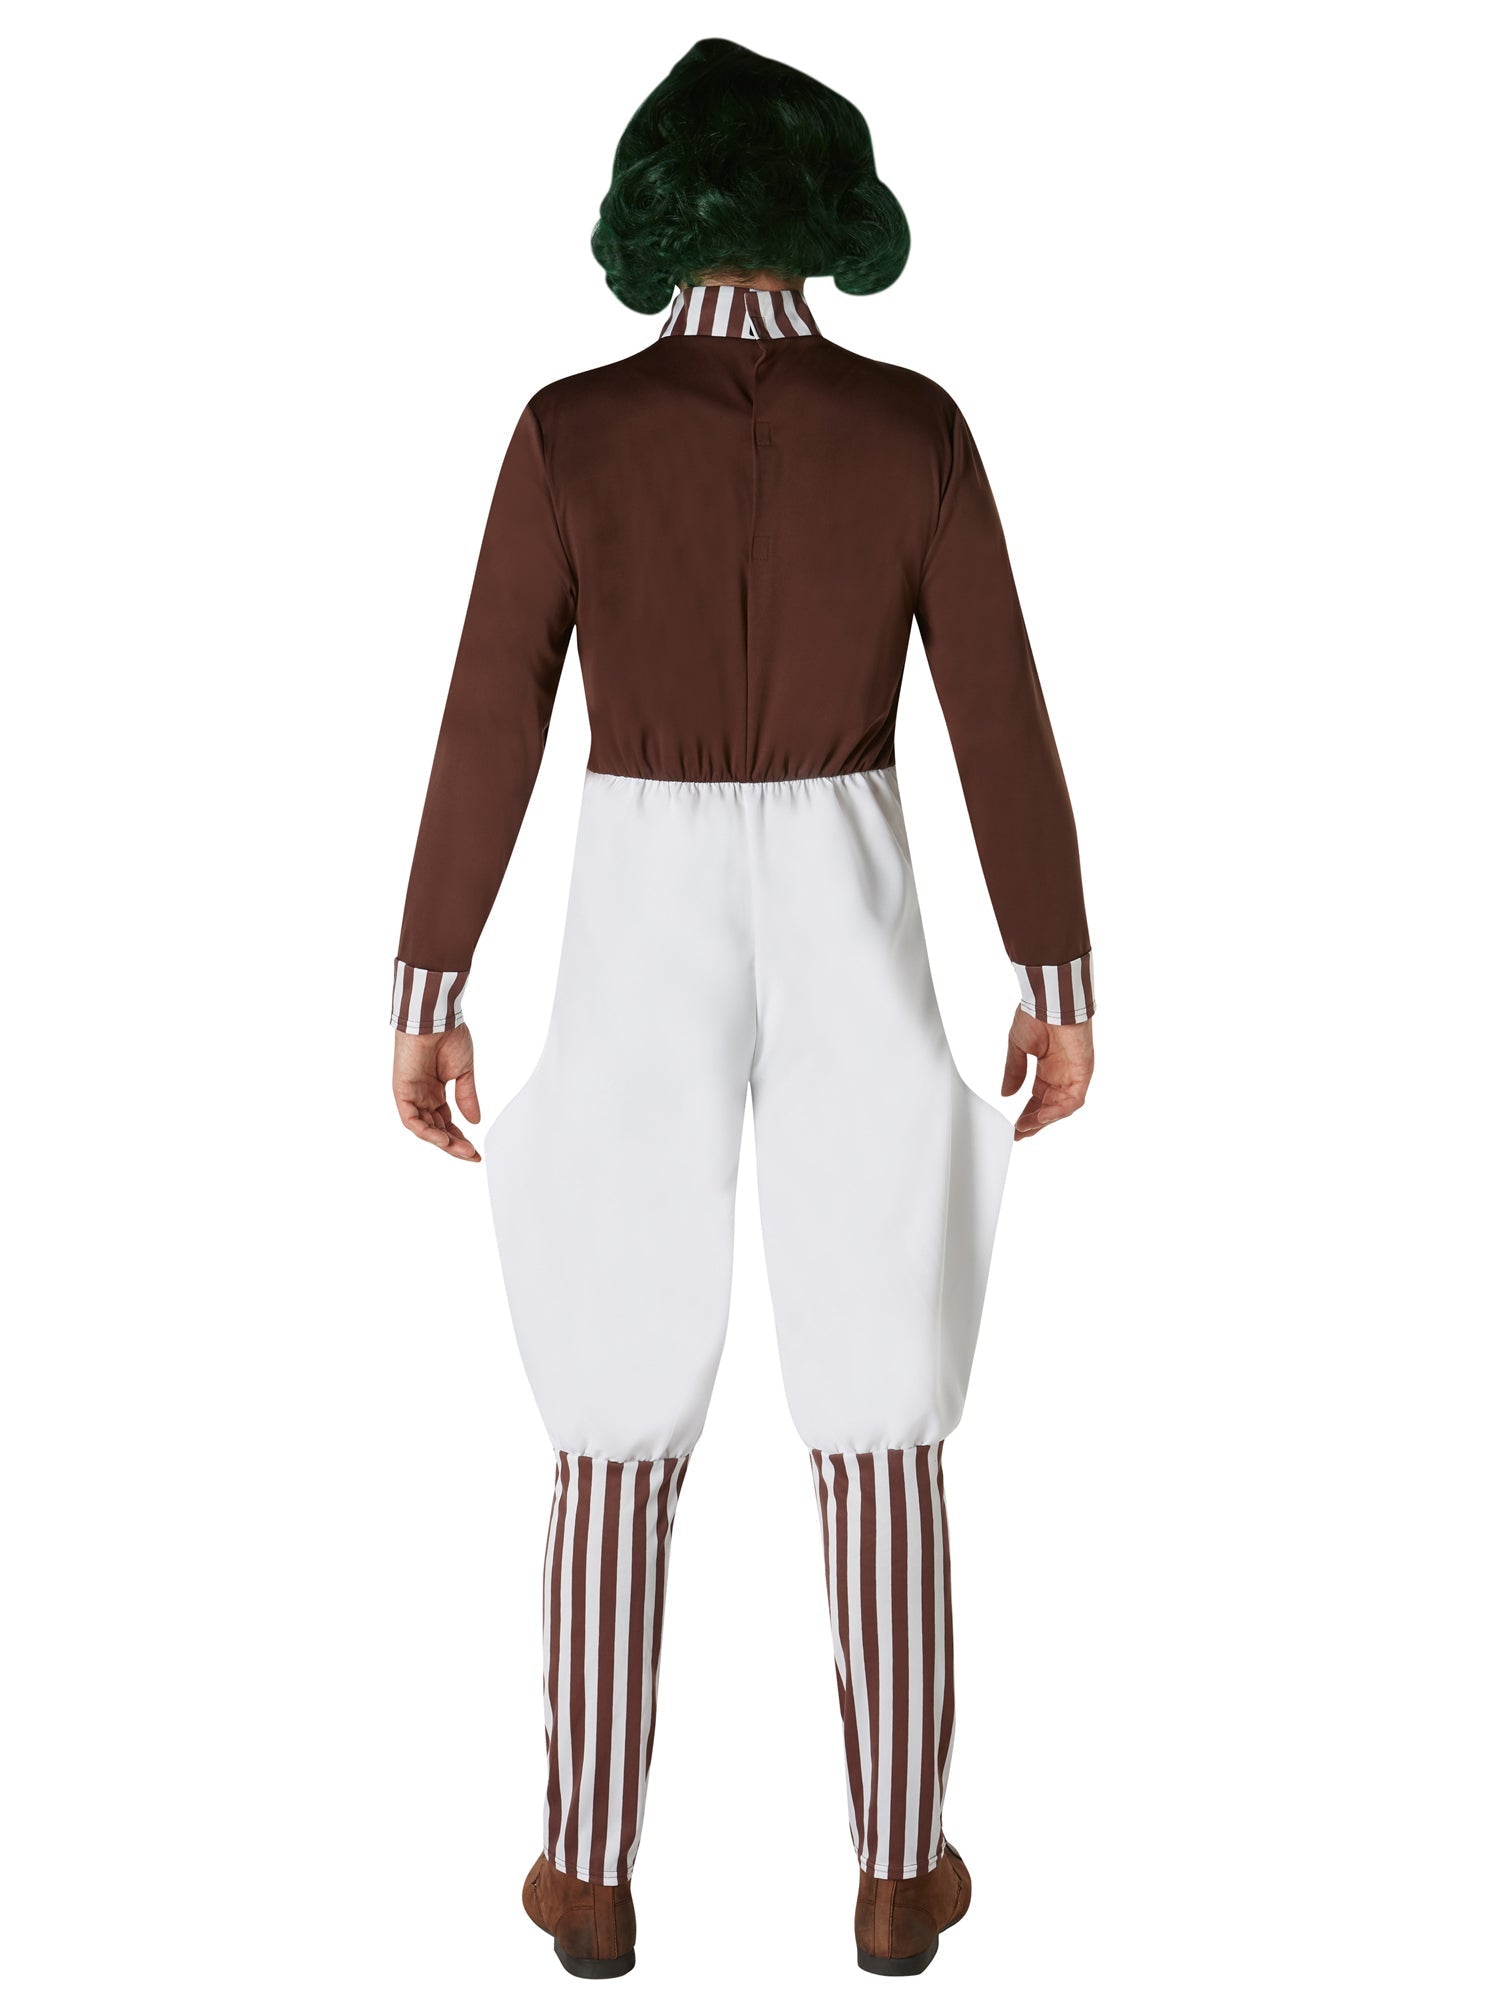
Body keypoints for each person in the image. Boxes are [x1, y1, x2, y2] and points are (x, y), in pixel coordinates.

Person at [390, 38, 1095, 1980]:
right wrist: (1056, 974)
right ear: (827, 202)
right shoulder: (912, 426)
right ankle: (900, 1868)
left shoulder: (572, 432)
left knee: (615, 1393)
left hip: (640, 883)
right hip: (849, 869)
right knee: (880, 1390)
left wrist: (430, 983)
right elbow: (998, 706)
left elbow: (489, 715)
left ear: (655, 207)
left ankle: (587, 1865)